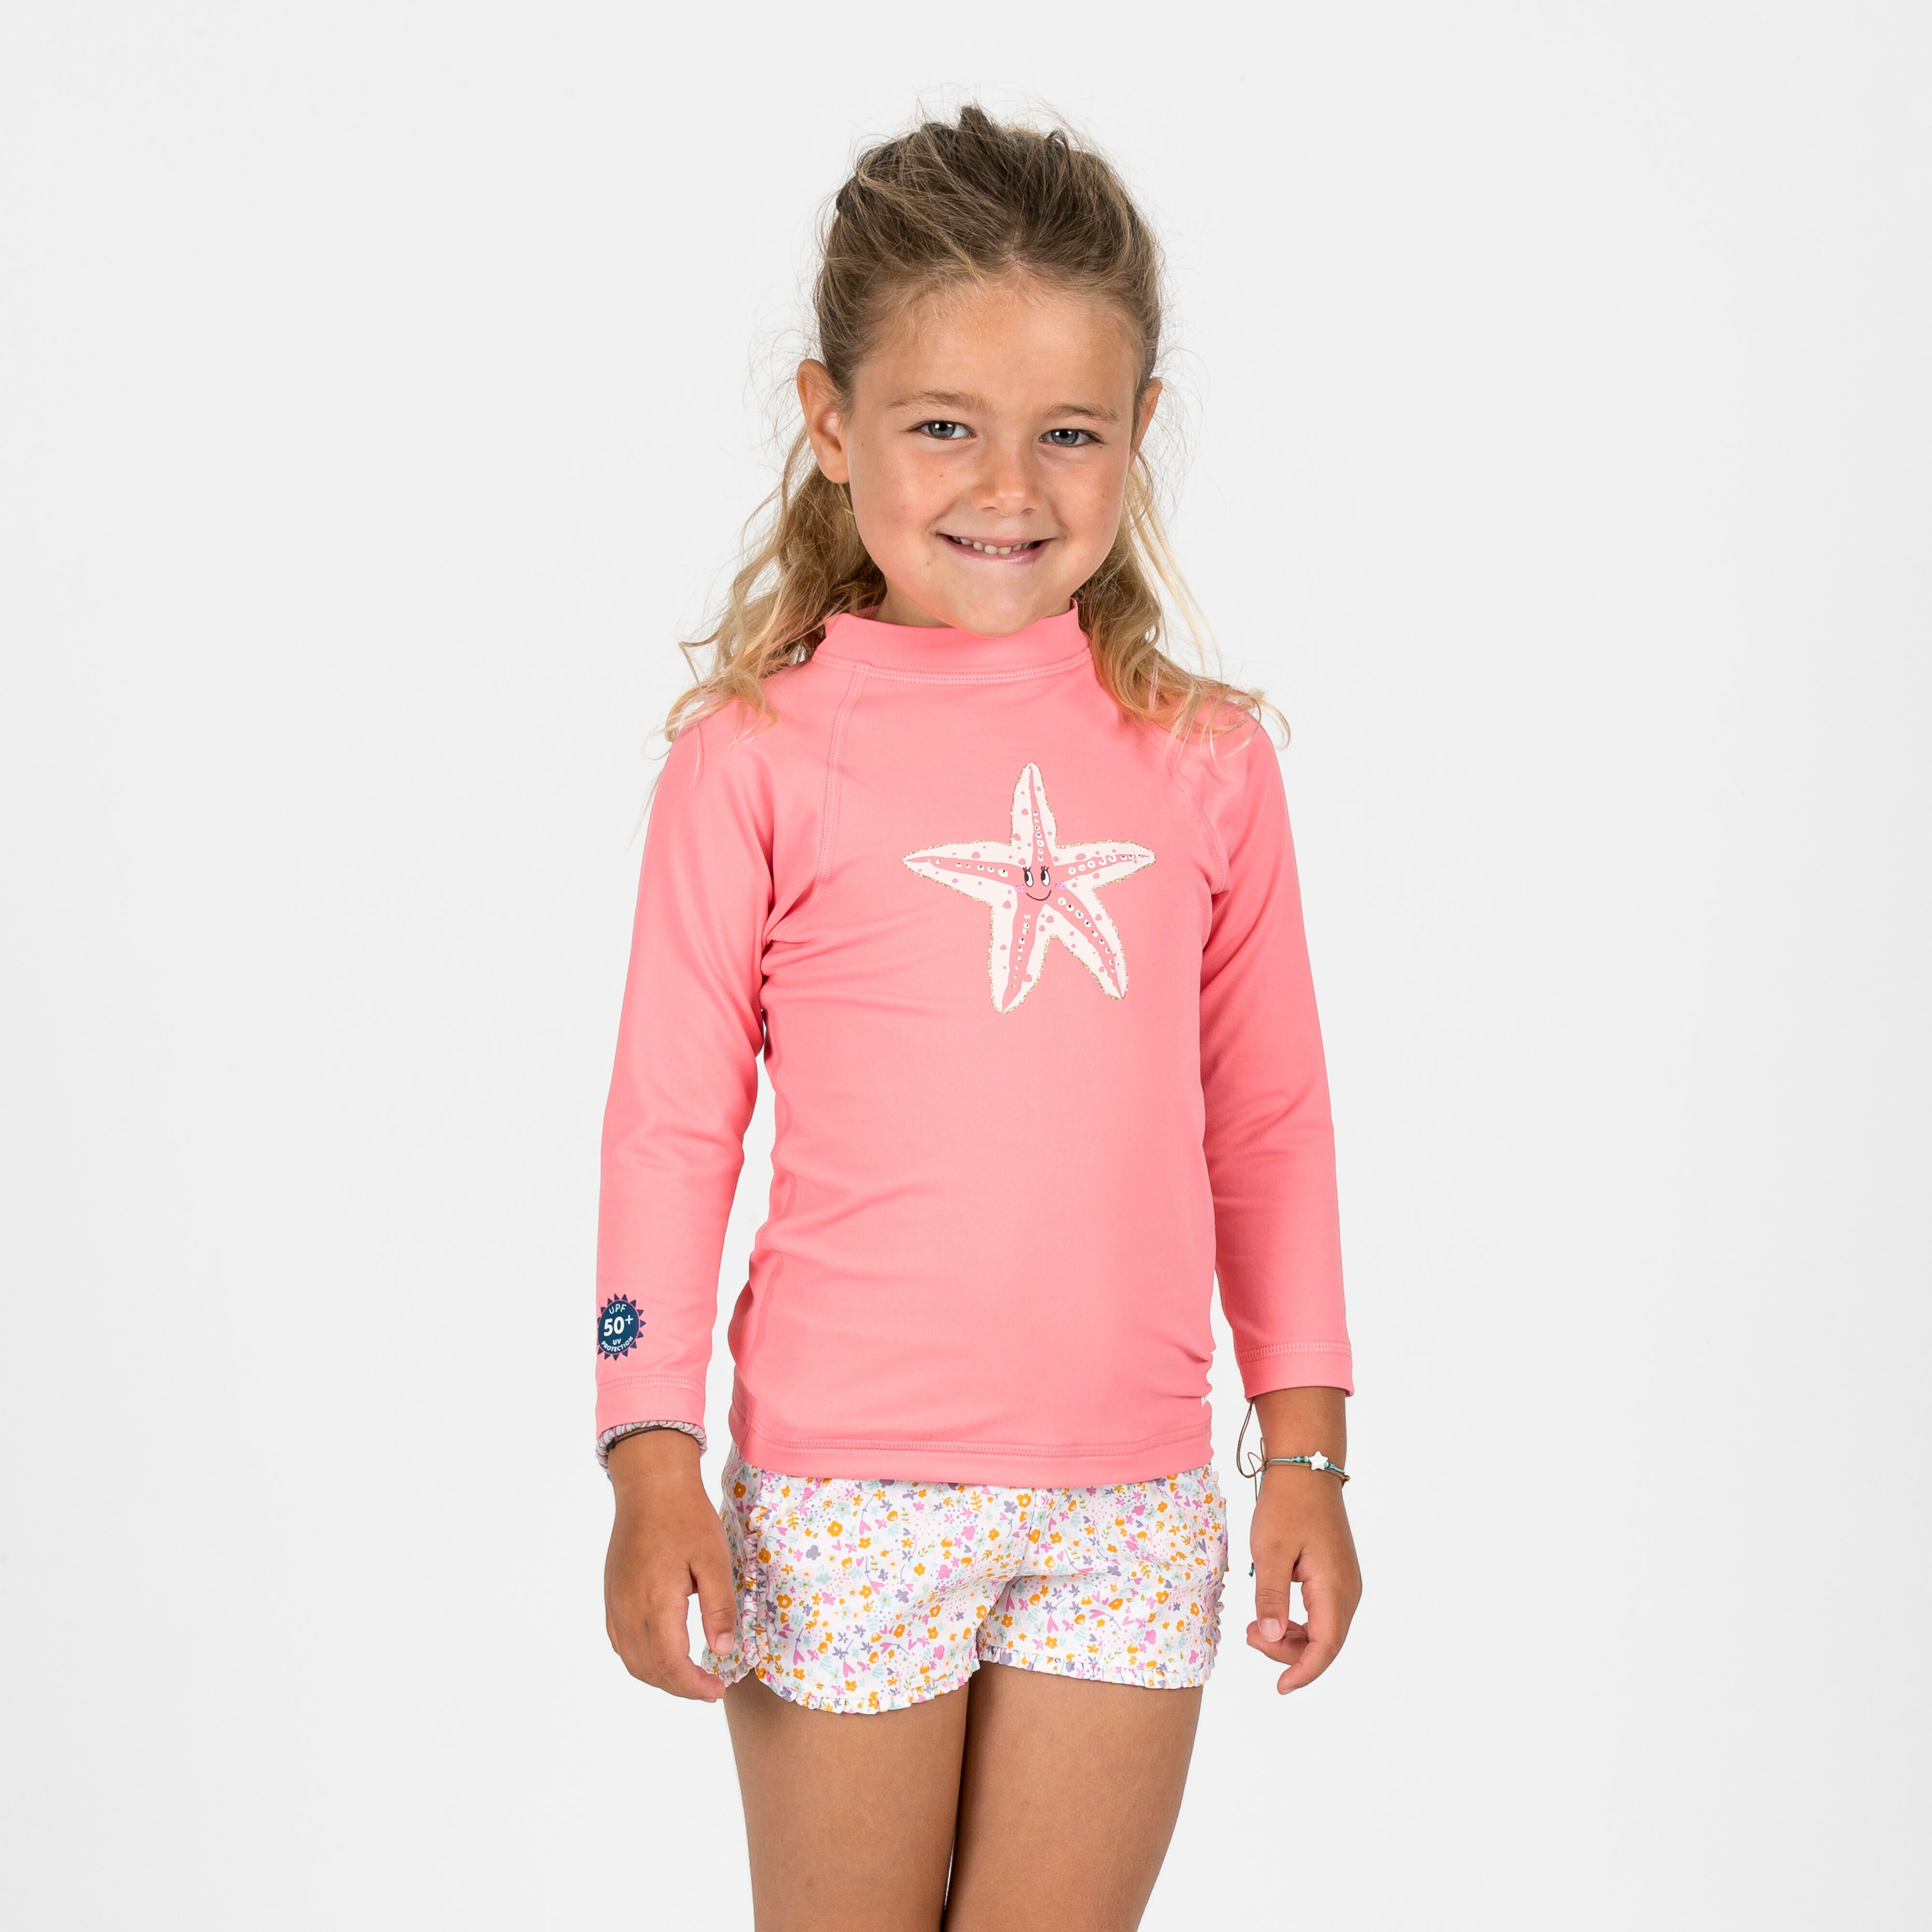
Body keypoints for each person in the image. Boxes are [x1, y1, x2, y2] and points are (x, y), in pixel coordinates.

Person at [595, 105, 1360, 1931]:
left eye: (1068, 432)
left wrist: (1308, 1448)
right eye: (943, 424)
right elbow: (670, 1129)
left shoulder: (1206, 763)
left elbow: (1270, 1119)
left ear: (1139, 432)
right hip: (846, 1492)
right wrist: (648, 1449)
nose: (1007, 484)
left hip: (1131, 1497)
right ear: (830, 420)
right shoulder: (753, 761)